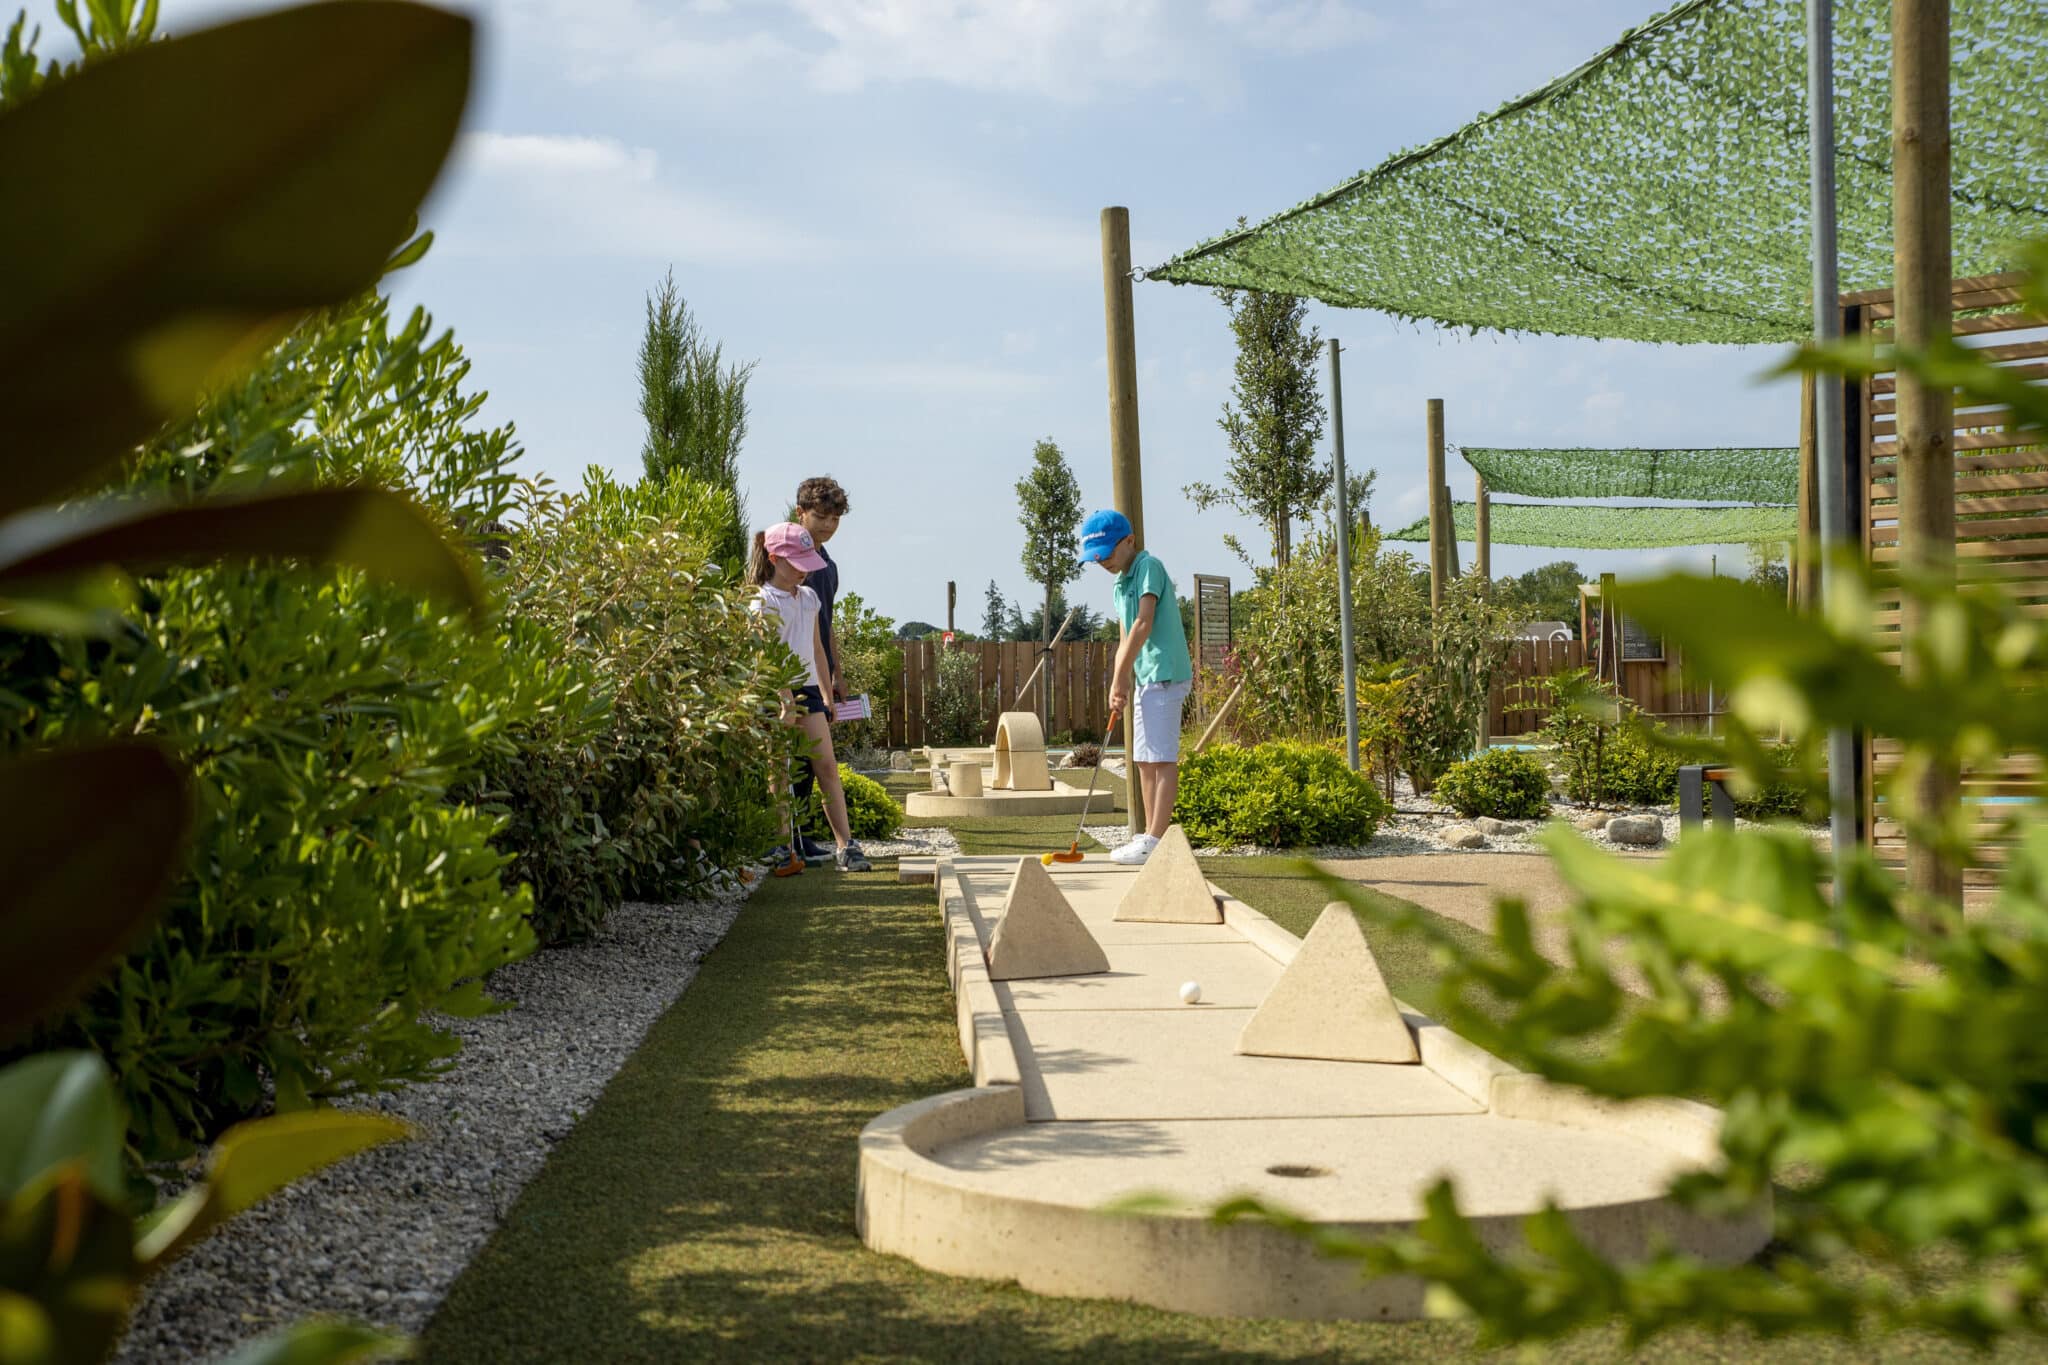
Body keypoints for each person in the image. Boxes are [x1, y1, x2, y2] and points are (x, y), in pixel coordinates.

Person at [750, 522, 871, 874]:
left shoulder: (809, 598)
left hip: (807, 690)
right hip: (774, 688)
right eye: (796, 562)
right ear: (774, 558)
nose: (803, 570)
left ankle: (846, 845)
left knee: (827, 766)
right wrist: (784, 698)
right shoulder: (761, 602)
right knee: (779, 768)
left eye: (807, 562)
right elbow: (766, 655)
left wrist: (825, 689)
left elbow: (816, 647)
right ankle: (782, 847)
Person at [1081, 509, 1192, 865]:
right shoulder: (1120, 582)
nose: (1103, 562)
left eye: (1107, 554)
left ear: (1129, 541)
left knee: (1161, 758)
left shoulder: (1149, 567)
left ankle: (1156, 839)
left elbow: (1144, 623)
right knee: (1144, 760)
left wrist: (1120, 676)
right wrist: (1121, 680)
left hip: (1165, 672)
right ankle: (1147, 836)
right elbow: (1125, 634)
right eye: (1096, 558)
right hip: (1144, 676)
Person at [789, 477, 849, 864]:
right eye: (821, 516)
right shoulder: (783, 557)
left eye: (835, 517)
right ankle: (786, 838)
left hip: (816, 671)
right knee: (791, 762)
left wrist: (837, 675)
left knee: (812, 761)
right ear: (801, 514)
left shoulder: (828, 566)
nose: (828, 524)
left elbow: (825, 625)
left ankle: (802, 835)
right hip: (786, 675)